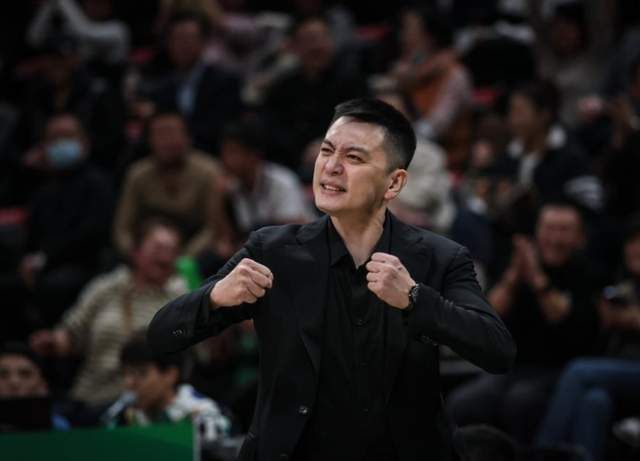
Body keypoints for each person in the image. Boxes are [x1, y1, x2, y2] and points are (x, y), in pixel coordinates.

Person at [148, 98, 515, 461]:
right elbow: (163, 335)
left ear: (394, 183)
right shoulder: (271, 251)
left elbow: (497, 352)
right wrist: (214, 297)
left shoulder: (440, 257)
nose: (331, 167)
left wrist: (417, 299)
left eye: (354, 157)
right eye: (326, 151)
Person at [447, 203, 601, 444]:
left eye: (564, 230)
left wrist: (537, 279)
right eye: (549, 229)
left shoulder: (588, 272)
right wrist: (514, 276)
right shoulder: (517, 264)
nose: (555, 238)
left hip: (562, 370)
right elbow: (487, 315)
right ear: (537, 231)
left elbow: (563, 319)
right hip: (514, 368)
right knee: (463, 402)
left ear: (579, 237)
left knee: (520, 402)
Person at [30, 218, 186, 410]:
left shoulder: (181, 296)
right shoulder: (105, 287)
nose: (165, 256)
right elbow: (71, 336)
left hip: (144, 403)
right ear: (136, 252)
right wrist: (53, 341)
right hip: (90, 396)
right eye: (158, 248)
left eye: (173, 250)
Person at [534, 218, 640, 461]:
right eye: (632, 242)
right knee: (595, 401)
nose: (635, 248)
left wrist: (630, 319)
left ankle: (543, 455)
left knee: (579, 370)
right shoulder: (624, 284)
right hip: (621, 368)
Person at [113, 111, 231, 258]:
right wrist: (134, 254)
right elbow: (122, 227)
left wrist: (184, 257)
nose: (167, 141)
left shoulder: (209, 171)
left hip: (192, 250)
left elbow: (212, 227)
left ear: (188, 137)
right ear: (149, 140)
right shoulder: (137, 174)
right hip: (145, 250)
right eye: (160, 134)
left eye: (172, 133)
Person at [103, 332, 230, 442]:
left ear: (170, 374)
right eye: (126, 374)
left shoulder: (205, 416)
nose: (129, 383)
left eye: (141, 373)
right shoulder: (119, 416)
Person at [0, 342, 70, 431]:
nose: (14, 382)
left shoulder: (63, 427)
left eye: (25, 374)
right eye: (3, 375)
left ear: (43, 385)